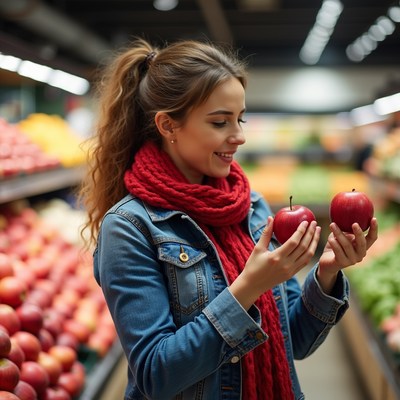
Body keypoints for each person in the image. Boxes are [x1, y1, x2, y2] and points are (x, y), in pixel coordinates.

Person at [79, 37, 378, 400]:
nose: (238, 136)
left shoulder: (250, 206)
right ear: (168, 126)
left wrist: (327, 272)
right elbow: (155, 375)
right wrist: (247, 289)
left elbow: (295, 341)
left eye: (240, 119)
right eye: (220, 122)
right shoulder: (130, 227)